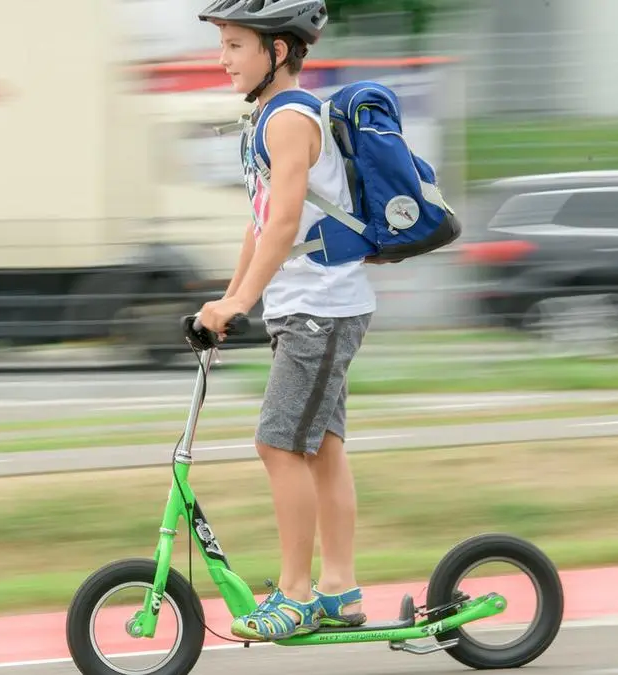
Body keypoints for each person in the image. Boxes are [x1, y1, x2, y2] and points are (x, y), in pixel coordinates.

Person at [193, 0, 378, 643]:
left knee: (277, 444)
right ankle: (339, 590)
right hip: (307, 306)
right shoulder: (268, 119)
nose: (223, 59)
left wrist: (242, 302)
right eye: (223, 45)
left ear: (278, 51)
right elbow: (259, 223)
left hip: (321, 308)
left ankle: (296, 594)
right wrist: (229, 298)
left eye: (236, 45)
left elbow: (283, 222)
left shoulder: (291, 119)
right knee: (321, 446)